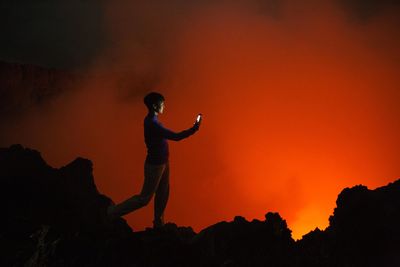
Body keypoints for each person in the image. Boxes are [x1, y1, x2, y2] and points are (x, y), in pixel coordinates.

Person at [107, 92, 201, 228]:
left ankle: (158, 223)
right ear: (154, 106)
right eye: (161, 104)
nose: (164, 106)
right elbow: (176, 137)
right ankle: (112, 212)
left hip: (163, 163)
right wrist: (194, 129)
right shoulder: (153, 123)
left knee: (163, 193)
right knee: (144, 198)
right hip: (155, 165)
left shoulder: (152, 121)